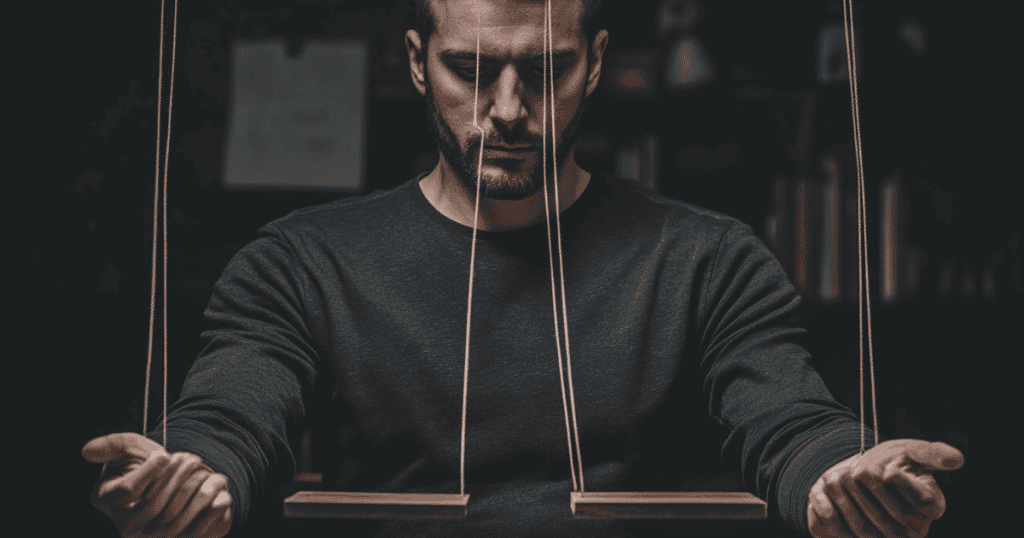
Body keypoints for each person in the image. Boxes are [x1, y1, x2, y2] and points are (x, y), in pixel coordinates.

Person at [83, 1, 964, 537]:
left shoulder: (708, 259)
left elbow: (786, 417)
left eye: (545, 69)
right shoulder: (297, 264)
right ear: (418, 65)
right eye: (472, 70)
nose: (508, 110)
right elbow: (236, 411)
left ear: (598, 63)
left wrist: (836, 480)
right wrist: (192, 475)